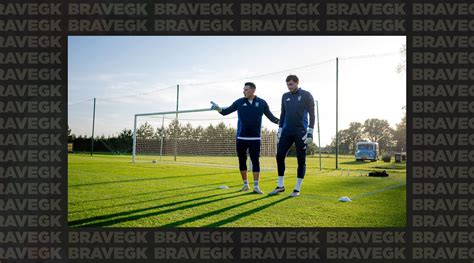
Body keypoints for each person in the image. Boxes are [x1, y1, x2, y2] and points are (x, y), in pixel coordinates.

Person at [211, 82, 279, 194]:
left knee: (255, 161)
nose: (244, 91)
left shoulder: (262, 103)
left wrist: (282, 122)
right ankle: (245, 184)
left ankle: (256, 186)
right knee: (242, 161)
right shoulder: (239, 102)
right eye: (244, 89)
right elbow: (225, 112)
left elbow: (271, 118)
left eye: (246, 89)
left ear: (253, 90)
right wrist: (218, 108)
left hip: (255, 139)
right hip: (241, 138)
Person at [269, 75, 315, 197]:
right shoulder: (285, 96)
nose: (289, 86)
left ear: (296, 83)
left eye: (291, 84)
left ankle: (297, 188)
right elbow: (283, 113)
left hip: (301, 132)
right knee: (279, 156)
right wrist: (279, 129)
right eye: (287, 84)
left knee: (301, 160)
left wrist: (310, 131)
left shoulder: (306, 95)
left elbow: (312, 114)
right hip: (286, 131)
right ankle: (280, 186)